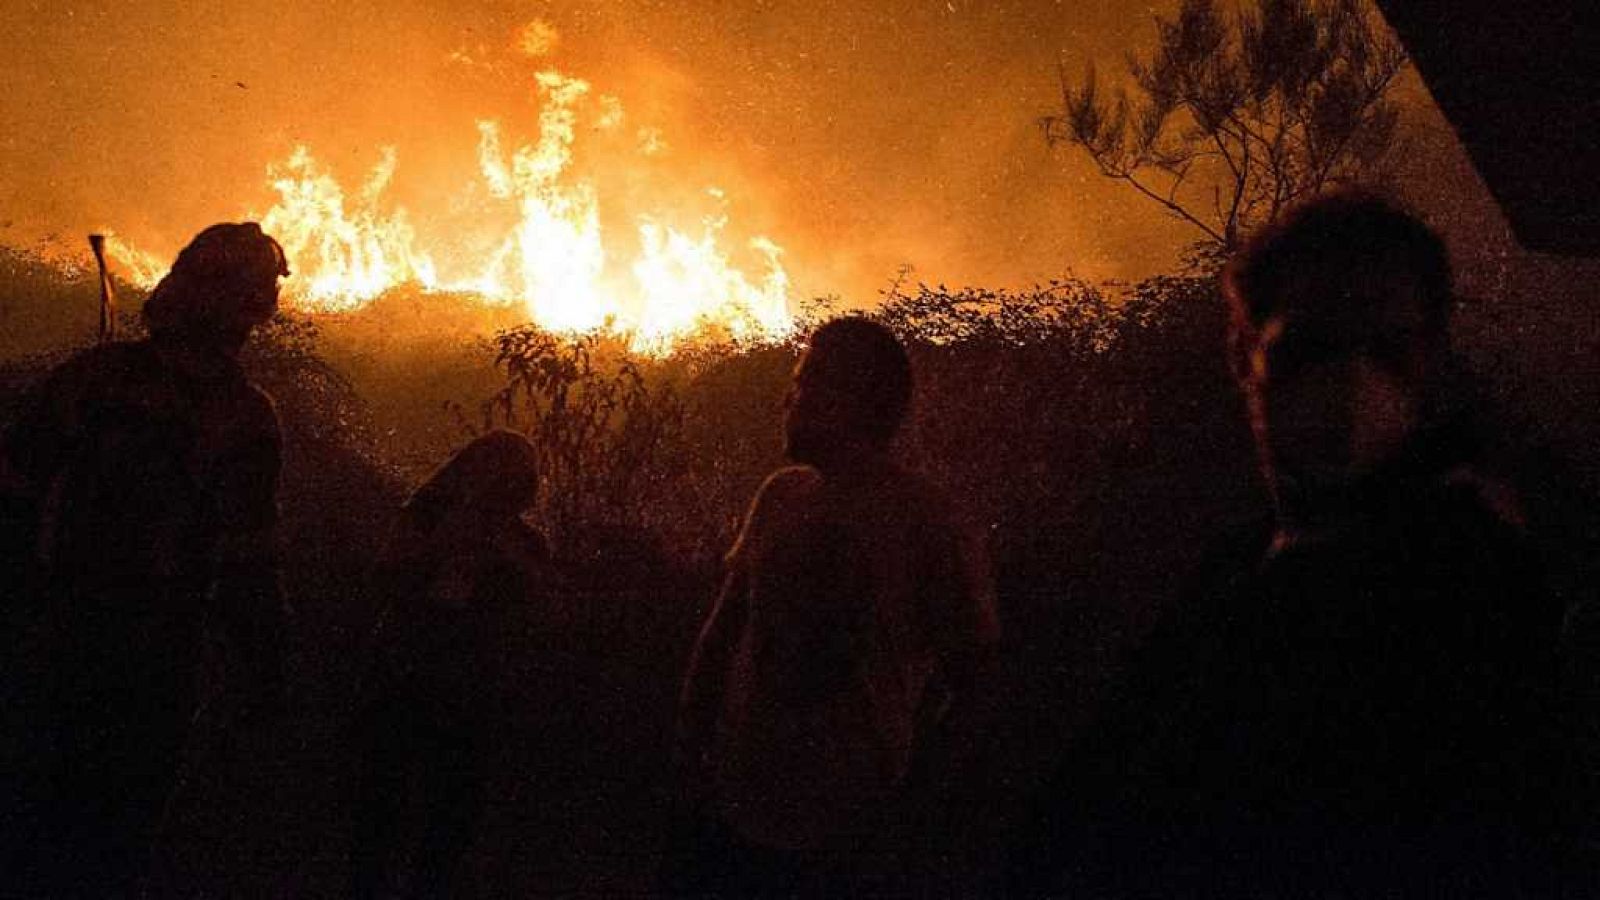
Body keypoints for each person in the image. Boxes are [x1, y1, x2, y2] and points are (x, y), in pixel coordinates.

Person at [1016, 192, 1571, 896]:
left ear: (1427, 361)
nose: (1350, 383)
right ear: (1243, 357)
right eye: (1310, 349)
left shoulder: (1465, 589)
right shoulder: (1241, 564)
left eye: (1387, 349)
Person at [1, 222, 291, 896]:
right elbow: (250, 564)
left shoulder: (91, 379)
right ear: (250, 310)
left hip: (58, 633)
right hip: (156, 655)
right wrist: (265, 676)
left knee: (33, 826)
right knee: (114, 843)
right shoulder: (243, 417)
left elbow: (15, 492)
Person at [673, 316, 1000, 896]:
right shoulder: (780, 496)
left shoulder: (926, 520)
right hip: (739, 810)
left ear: (856, 400)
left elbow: (975, 679)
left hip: (847, 839)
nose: (788, 399)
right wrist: (692, 764)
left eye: (808, 382)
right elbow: (721, 636)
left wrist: (910, 803)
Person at [351, 430, 551, 899]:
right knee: (382, 808)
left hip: (473, 691)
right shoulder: (425, 519)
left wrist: (503, 553)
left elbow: (539, 609)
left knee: (451, 818)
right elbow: (386, 582)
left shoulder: (524, 543)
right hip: (406, 675)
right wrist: (443, 546)